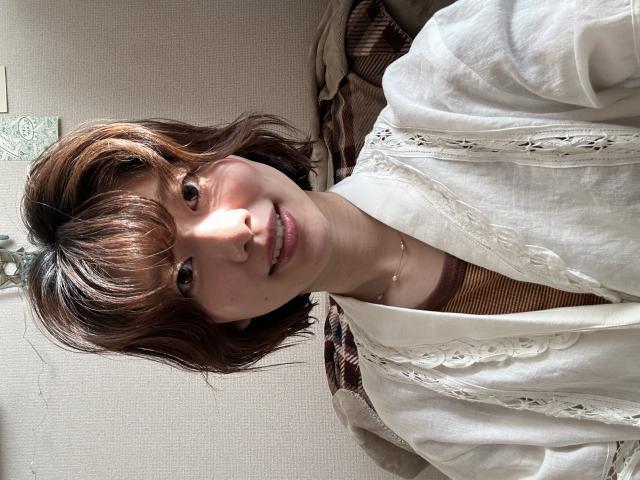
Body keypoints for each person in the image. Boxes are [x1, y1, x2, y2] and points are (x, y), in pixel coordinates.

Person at [21, 0, 640, 478]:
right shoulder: (413, 404)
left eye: (189, 193)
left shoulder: (452, 80)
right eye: (185, 274)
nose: (233, 232)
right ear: (221, 326)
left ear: (214, 151)